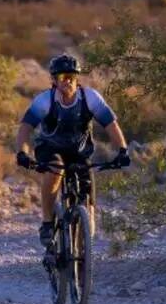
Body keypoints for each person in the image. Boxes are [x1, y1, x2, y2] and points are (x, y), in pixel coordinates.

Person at [15, 53, 130, 247]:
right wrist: (22, 153)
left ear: (77, 78)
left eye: (71, 76)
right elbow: (25, 128)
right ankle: (47, 223)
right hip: (50, 148)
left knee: (89, 207)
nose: (66, 81)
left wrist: (122, 150)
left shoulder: (90, 97)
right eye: (61, 77)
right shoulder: (45, 101)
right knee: (55, 168)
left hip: (78, 151)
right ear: (54, 80)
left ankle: (80, 256)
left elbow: (111, 125)